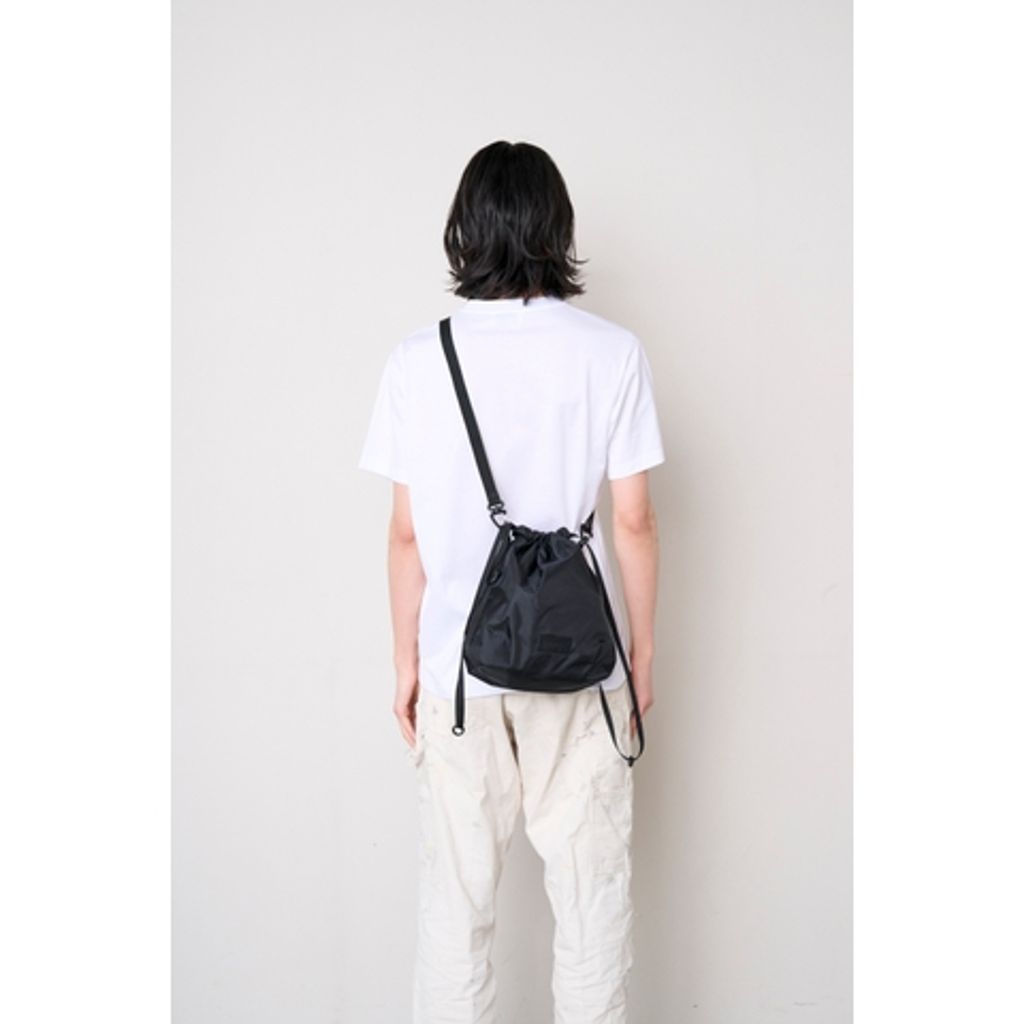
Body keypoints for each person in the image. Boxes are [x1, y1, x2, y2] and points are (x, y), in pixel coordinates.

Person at [357, 140, 664, 1024]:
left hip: (458, 671)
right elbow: (633, 522)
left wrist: (407, 663)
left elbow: (406, 534)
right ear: (555, 227)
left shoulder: (419, 359)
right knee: (592, 906)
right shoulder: (613, 353)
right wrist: (642, 655)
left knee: (454, 910)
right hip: (585, 667)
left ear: (466, 228)